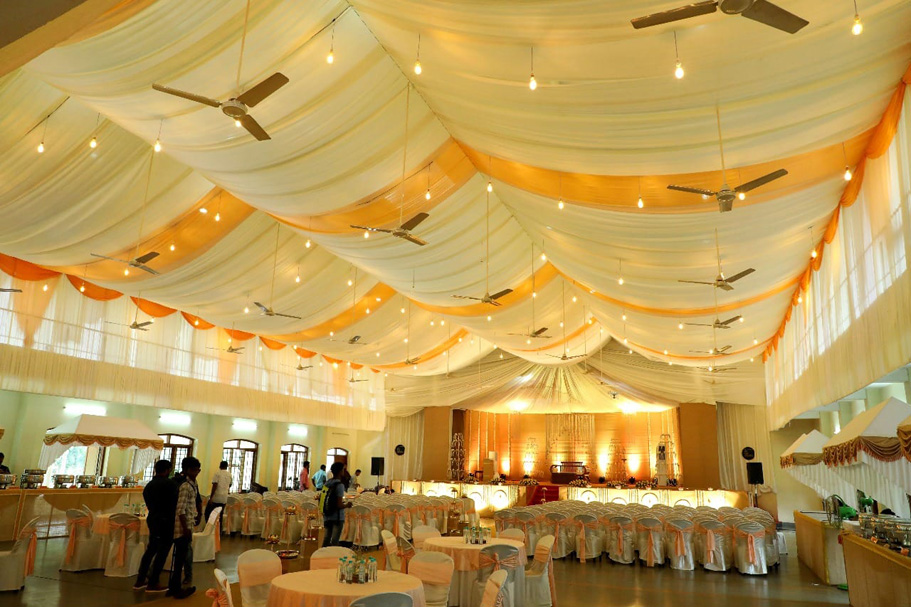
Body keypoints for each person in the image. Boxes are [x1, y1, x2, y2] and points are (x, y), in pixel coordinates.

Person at [133, 459, 177, 592]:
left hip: (153, 518)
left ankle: (140, 579)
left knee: (151, 549)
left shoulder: (149, 485)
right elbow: (175, 503)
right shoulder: (170, 484)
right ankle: (153, 582)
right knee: (162, 551)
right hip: (166, 520)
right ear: (168, 470)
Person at [169, 457, 200, 599]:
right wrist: (186, 529)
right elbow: (180, 509)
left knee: (180, 558)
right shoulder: (185, 486)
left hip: (188, 525)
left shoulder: (193, 484)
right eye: (193, 470)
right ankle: (176, 588)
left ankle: (174, 586)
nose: (196, 472)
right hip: (182, 528)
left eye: (198, 470)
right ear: (186, 470)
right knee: (179, 560)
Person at [320, 462, 352, 547]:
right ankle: (333, 554)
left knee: (326, 538)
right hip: (337, 516)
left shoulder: (327, 483)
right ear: (340, 471)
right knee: (335, 540)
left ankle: (322, 553)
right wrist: (347, 505)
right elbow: (339, 504)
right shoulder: (339, 485)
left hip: (327, 514)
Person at [205, 461, 232, 528]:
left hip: (216, 497)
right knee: (220, 515)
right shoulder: (229, 474)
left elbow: (215, 485)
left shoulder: (217, 473)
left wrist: (211, 497)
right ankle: (219, 530)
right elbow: (230, 484)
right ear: (226, 466)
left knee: (209, 513)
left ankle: (210, 528)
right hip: (224, 498)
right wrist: (225, 489)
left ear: (220, 466)